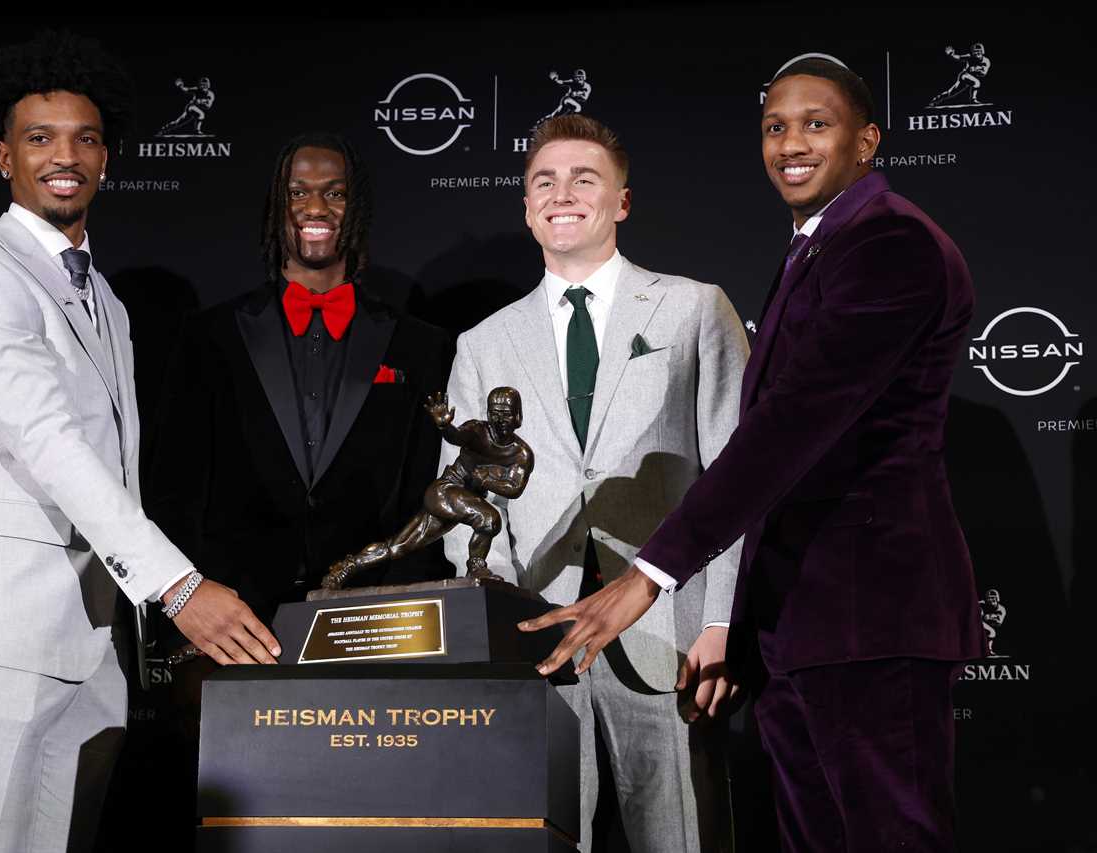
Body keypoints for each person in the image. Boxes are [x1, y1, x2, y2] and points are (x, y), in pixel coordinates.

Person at [524, 59, 986, 852]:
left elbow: (790, 429)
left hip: (869, 617)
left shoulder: (891, 242)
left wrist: (650, 573)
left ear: (867, 140)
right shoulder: (818, 246)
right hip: (804, 625)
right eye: (775, 126)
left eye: (816, 123)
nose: (790, 143)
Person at [0, 31, 278, 853]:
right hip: (4, 635)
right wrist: (177, 586)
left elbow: (115, 468)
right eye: (39, 138)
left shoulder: (104, 296)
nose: (65, 156)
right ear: (4, 158)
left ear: (105, 157)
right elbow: (48, 441)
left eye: (85, 138)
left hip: (97, 644)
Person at [443, 114, 747, 852]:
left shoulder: (695, 308)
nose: (562, 193)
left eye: (585, 178)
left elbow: (741, 480)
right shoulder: (482, 343)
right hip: (537, 647)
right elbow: (466, 503)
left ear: (622, 201)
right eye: (543, 181)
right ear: (525, 207)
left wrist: (723, 622)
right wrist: (497, 636)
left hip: (672, 642)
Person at [147, 130, 453, 667]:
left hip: (373, 626)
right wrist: (188, 611)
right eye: (297, 192)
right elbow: (175, 491)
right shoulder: (208, 337)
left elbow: (425, 497)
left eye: (335, 193)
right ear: (275, 207)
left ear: (357, 208)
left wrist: (410, 618)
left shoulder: (422, 346)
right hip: (232, 627)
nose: (315, 207)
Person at [323, 387, 532, 588]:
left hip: (463, 501)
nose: (500, 420)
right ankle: (476, 567)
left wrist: (486, 480)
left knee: (398, 547)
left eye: (506, 414)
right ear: (488, 413)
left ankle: (349, 566)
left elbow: (514, 488)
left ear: (518, 416)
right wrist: (444, 426)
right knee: (488, 519)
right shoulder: (477, 430)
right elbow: (457, 436)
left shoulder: (521, 454)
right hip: (445, 491)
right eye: (495, 413)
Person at [929, 43, 991, 107]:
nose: (976, 53)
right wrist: (951, 55)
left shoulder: (986, 61)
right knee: (977, 83)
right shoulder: (969, 57)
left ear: (982, 51)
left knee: (950, 93)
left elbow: (984, 74)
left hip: (971, 78)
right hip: (965, 75)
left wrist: (976, 70)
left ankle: (935, 100)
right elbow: (959, 57)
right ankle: (973, 99)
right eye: (975, 51)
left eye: (978, 51)